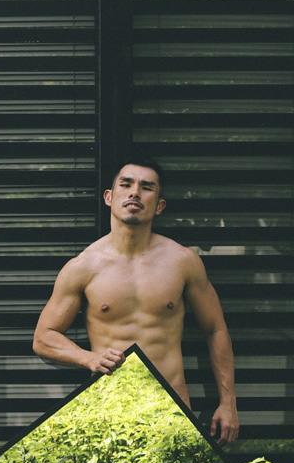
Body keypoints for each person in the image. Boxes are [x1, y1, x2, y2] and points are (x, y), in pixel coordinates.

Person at [33, 156, 239, 446]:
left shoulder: (183, 261)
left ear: (160, 205)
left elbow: (216, 330)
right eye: (126, 184)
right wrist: (89, 358)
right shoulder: (83, 267)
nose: (134, 193)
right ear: (109, 197)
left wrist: (228, 403)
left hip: (172, 411)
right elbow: (43, 338)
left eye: (146, 187)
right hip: (110, 412)